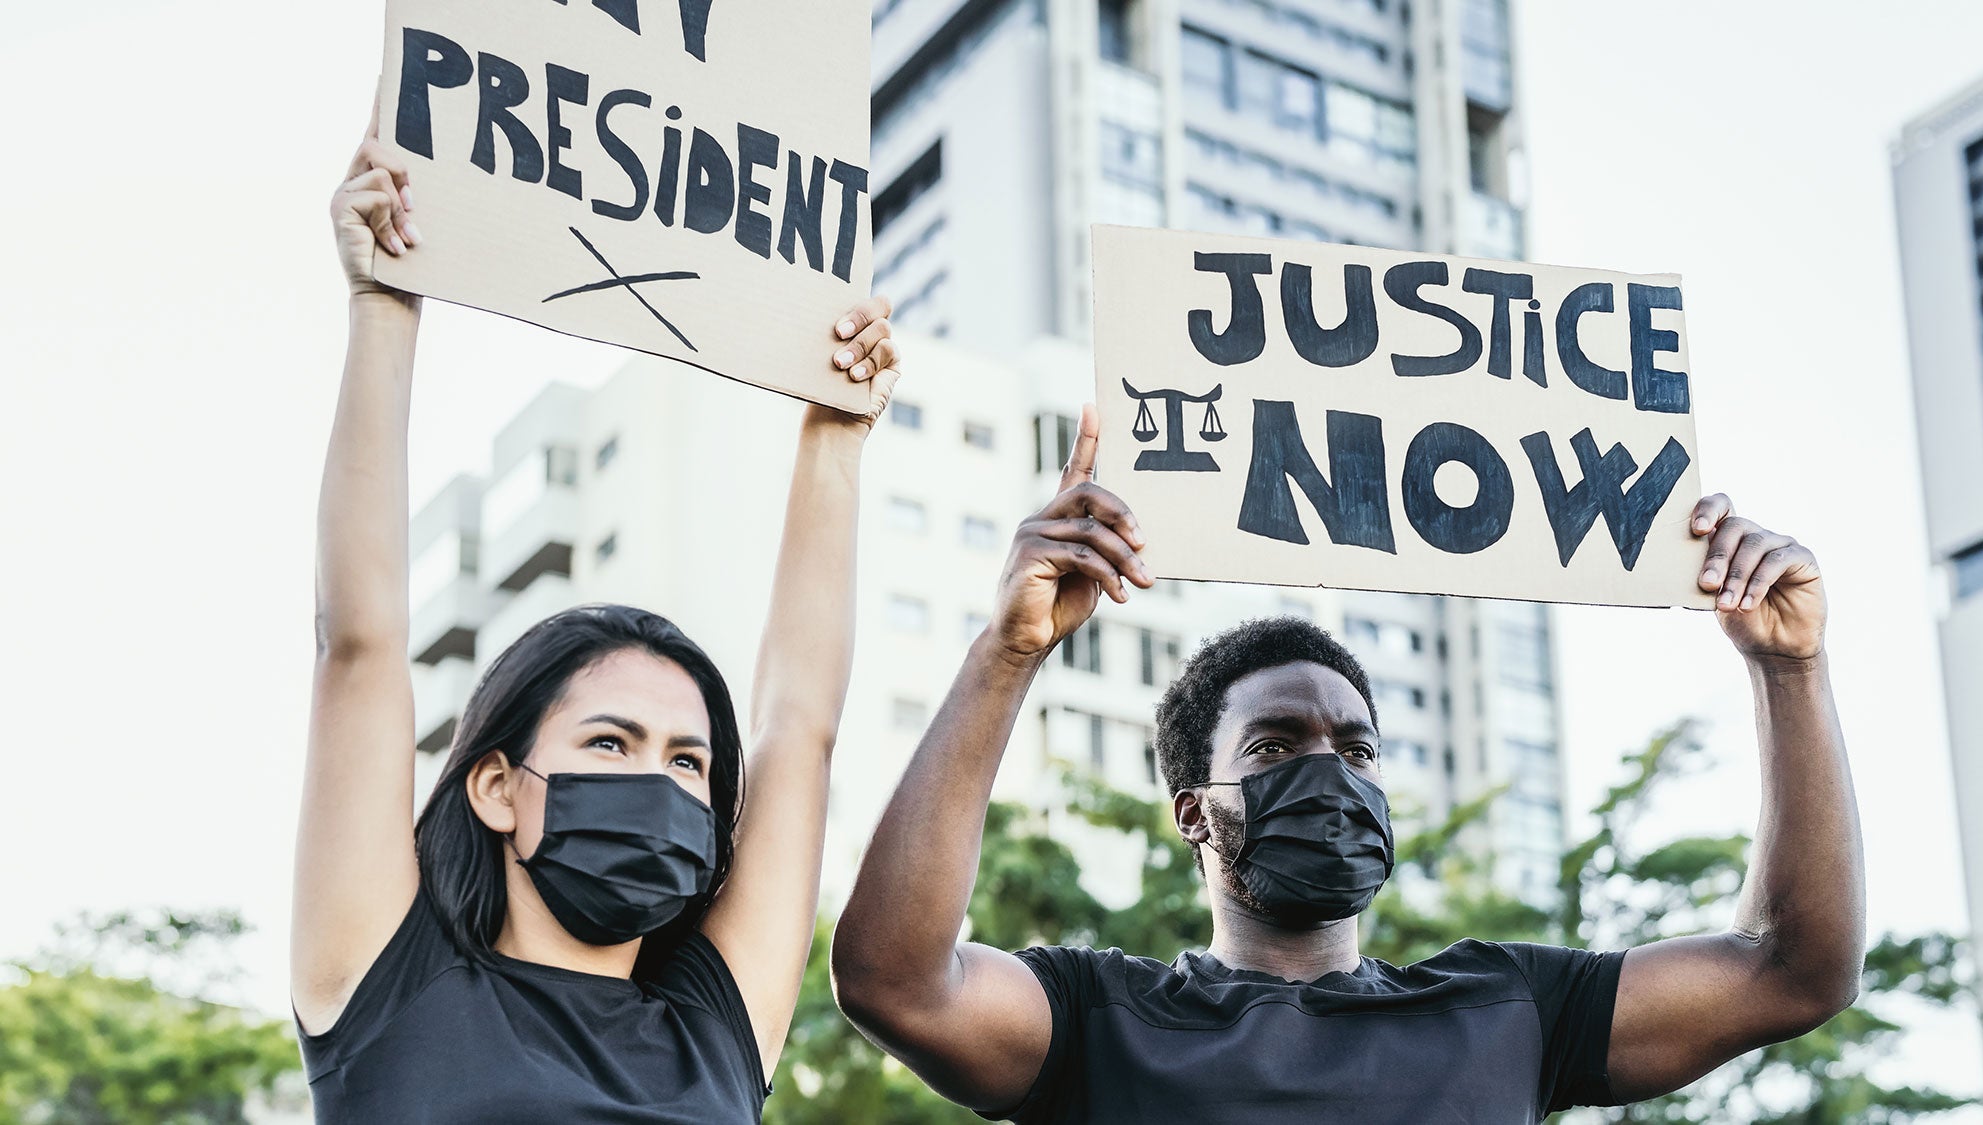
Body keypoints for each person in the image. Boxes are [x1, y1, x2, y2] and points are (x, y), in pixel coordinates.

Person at [831, 405, 1862, 1123]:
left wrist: (1789, 669)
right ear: (1193, 811)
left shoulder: (1505, 1011)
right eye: (1276, 747)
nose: (1328, 772)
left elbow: (1794, 969)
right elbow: (893, 979)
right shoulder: (1095, 1022)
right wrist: (1009, 651)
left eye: (1355, 748)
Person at [290, 121, 903, 1122]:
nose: (654, 781)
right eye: (611, 741)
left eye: (685, 763)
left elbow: (801, 728)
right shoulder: (388, 988)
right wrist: (383, 301)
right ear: (495, 785)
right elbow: (358, 643)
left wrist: (836, 436)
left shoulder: (716, 1024)